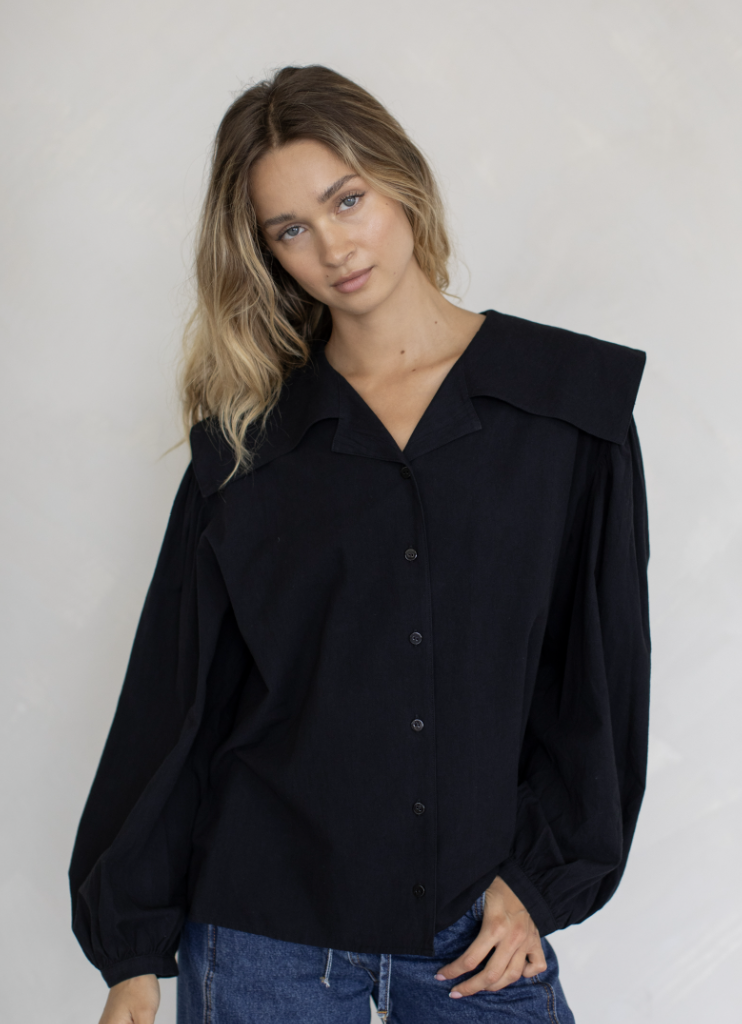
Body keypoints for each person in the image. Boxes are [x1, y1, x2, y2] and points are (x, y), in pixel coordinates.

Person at [68, 64, 651, 1024]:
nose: (334, 246)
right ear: (266, 255)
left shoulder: (567, 408)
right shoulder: (249, 446)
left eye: (347, 200)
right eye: (289, 229)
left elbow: (598, 672)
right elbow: (175, 705)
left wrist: (544, 879)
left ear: (401, 181)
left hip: (477, 932)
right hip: (262, 933)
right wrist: (130, 954)